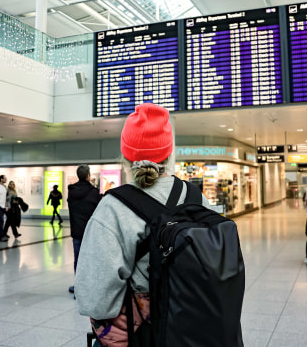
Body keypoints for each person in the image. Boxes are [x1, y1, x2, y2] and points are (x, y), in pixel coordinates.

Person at [74, 103, 212, 346]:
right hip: (196, 329)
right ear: (169, 153)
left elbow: (95, 300)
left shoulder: (113, 207)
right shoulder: (197, 198)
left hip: (145, 336)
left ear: (126, 155)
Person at [67, 165, 101, 294]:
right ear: (88, 176)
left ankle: (79, 287)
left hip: (76, 230)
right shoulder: (94, 192)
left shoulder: (71, 190)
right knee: (91, 259)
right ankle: (90, 286)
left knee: (78, 259)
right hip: (90, 231)